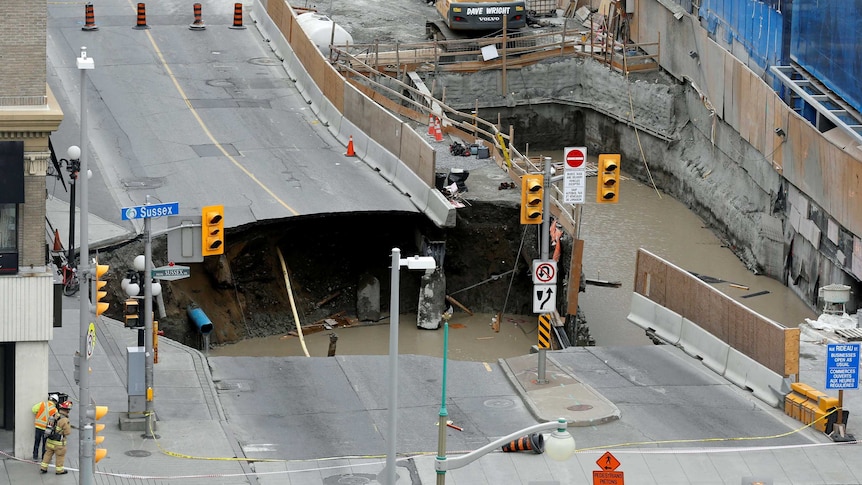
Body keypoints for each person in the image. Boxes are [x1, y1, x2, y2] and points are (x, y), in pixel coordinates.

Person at [40, 400, 72, 475]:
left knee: (47, 454)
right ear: (67, 410)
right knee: (60, 456)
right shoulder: (65, 420)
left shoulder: (54, 415)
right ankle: (59, 470)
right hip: (59, 444)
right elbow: (67, 432)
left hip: (49, 441)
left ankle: (43, 467)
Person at [31, 394, 58, 460]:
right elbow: (56, 420)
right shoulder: (55, 410)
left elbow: (33, 410)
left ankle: (35, 456)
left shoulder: (42, 404)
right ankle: (44, 457)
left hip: (38, 426)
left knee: (37, 442)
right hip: (46, 429)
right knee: (45, 444)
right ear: (55, 401)